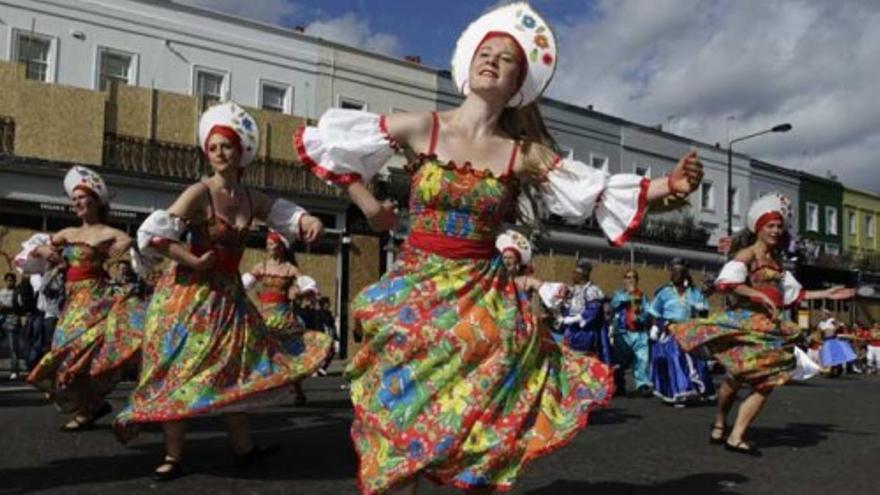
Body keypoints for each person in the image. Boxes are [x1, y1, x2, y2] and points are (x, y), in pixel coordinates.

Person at [293, 4, 703, 493]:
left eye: (505, 59)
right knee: (401, 412)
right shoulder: (423, 125)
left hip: (480, 295)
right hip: (418, 287)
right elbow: (329, 146)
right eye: (485, 53)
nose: (491, 60)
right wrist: (371, 207)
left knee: (479, 411)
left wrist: (669, 185)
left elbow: (594, 190)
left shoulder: (522, 153)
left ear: (517, 85)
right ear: (468, 67)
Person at [114, 101, 332, 481]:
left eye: (226, 146)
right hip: (187, 296)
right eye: (213, 147)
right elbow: (155, 236)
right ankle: (173, 456)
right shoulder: (199, 192)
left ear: (240, 152)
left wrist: (308, 219)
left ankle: (243, 449)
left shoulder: (250, 198)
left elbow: (285, 213)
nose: (218, 153)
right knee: (179, 370)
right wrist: (193, 260)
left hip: (228, 298)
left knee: (236, 370)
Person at [670, 192, 853, 456]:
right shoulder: (749, 253)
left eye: (779, 226)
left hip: (770, 329)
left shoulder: (777, 262)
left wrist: (825, 294)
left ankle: (736, 435)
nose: (776, 231)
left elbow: (793, 295)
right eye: (771, 226)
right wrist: (756, 294)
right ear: (759, 228)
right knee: (734, 379)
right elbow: (726, 282)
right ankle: (721, 421)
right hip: (745, 324)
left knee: (767, 382)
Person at [15, 166, 145, 430]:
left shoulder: (109, 233)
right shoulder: (67, 233)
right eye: (73, 199)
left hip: (97, 301)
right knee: (63, 355)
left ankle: (95, 409)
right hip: (72, 303)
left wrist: (127, 244)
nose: (76, 203)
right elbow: (34, 247)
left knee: (88, 353)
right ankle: (92, 408)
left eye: (81, 198)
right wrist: (46, 251)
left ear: (95, 200)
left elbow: (131, 242)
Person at [242, 230, 331, 404]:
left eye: (272, 245)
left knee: (290, 353)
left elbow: (304, 284)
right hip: (264, 314)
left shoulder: (290, 269)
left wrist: (306, 291)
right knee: (259, 350)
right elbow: (245, 284)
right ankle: (255, 388)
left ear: (281, 247)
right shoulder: (262, 267)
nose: (269, 248)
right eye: (267, 245)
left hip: (284, 315)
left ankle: (298, 390)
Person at [648, 258, 716, 405]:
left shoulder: (694, 293)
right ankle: (680, 392)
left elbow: (704, 314)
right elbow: (655, 311)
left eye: (679, 272)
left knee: (696, 362)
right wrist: (654, 327)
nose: (676, 275)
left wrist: (701, 309)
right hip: (671, 331)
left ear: (685, 274)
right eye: (673, 271)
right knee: (675, 358)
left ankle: (694, 390)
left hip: (690, 331)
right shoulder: (664, 292)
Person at [559, 259, 613, 364]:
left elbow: (593, 311)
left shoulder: (592, 290)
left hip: (585, 333)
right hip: (571, 333)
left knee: (584, 362)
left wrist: (574, 319)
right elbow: (567, 308)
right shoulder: (573, 290)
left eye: (575, 273)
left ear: (582, 275)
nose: (572, 275)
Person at [610, 269, 652, 397]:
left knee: (642, 359)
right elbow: (614, 305)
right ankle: (619, 384)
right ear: (624, 280)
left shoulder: (642, 296)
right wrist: (629, 295)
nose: (630, 280)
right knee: (621, 360)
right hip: (623, 332)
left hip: (639, 332)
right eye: (628, 277)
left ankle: (642, 384)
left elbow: (648, 311)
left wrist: (641, 317)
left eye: (633, 277)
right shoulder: (618, 295)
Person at [0, 272, 22, 380]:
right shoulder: (1, 292)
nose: (10, 282)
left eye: (12, 280)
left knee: (13, 347)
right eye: (8, 280)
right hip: (1, 321)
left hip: (13, 321)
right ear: (5, 281)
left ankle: (14, 370)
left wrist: (8, 307)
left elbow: (20, 307)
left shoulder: (17, 293)